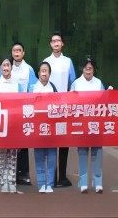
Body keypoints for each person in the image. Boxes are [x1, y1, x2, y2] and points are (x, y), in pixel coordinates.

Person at [42, 32, 76, 187]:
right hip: (49, 106)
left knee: (63, 141)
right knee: (50, 141)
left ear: (62, 44)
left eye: (58, 41)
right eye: (53, 41)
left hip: (64, 106)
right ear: (50, 44)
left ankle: (62, 176)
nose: (56, 43)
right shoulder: (46, 61)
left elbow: (73, 83)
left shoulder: (68, 62)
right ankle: (50, 175)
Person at [70, 57, 104, 193]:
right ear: (82, 69)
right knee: (83, 153)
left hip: (96, 123)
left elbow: (105, 103)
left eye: (90, 68)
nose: (88, 70)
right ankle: (83, 182)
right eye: (86, 68)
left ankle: (98, 182)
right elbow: (70, 104)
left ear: (94, 69)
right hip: (81, 123)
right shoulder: (76, 84)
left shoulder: (99, 83)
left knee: (97, 153)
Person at [10, 41, 37, 186]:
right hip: (10, 111)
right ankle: (12, 173)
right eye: (14, 50)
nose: (17, 53)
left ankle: (24, 173)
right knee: (12, 142)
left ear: (23, 53)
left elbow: (33, 88)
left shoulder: (29, 69)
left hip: (24, 109)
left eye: (19, 50)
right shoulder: (8, 68)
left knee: (24, 141)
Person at [0, 57, 23, 193]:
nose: (6, 68)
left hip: (14, 123)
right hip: (0, 123)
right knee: (2, 155)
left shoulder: (18, 86)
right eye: (3, 66)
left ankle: (11, 181)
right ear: (0, 68)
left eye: (8, 65)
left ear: (11, 67)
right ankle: (2, 181)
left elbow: (23, 103)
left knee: (13, 154)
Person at [31, 60, 58, 192]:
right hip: (37, 127)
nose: (44, 73)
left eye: (46, 71)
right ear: (38, 73)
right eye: (42, 70)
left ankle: (50, 183)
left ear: (49, 73)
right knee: (39, 155)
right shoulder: (32, 88)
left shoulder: (53, 88)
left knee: (52, 155)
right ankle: (41, 183)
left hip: (51, 127)